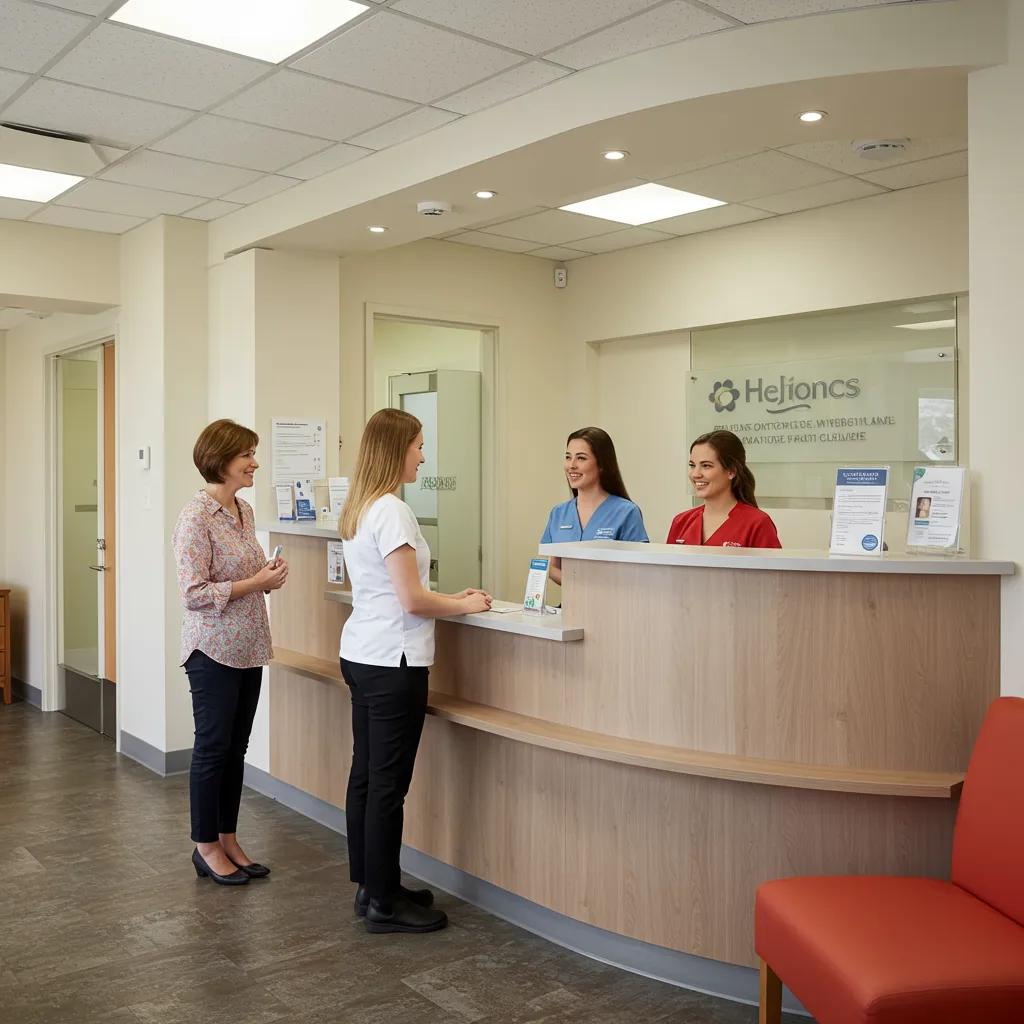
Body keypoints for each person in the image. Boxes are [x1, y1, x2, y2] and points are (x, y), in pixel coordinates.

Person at [339, 408, 492, 933]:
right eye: (418, 446)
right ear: (396, 449)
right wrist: (466, 605)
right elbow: (410, 598)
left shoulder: (360, 508)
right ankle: (383, 902)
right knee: (387, 786)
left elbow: (394, 590)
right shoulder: (393, 511)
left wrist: (449, 597)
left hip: (363, 652)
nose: (423, 456)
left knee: (365, 777)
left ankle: (371, 885)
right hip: (393, 662)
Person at [172, 419, 288, 886]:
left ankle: (228, 836)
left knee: (235, 749)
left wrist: (268, 573)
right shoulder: (195, 517)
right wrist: (254, 583)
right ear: (221, 460)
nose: (255, 463)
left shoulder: (244, 510)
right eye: (247, 455)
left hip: (249, 646)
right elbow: (192, 592)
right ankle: (205, 847)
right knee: (212, 748)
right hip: (213, 650)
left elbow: (246, 572)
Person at [540, 427, 648, 585]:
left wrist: (596, 588)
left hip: (613, 606)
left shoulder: (626, 512)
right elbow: (552, 566)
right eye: (568, 457)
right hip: (570, 606)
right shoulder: (558, 513)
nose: (571, 465)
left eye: (581, 458)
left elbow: (638, 569)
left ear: (602, 464)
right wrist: (582, 586)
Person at [666, 430, 781, 548]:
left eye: (706, 466)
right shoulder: (680, 522)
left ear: (731, 471)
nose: (695, 474)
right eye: (692, 465)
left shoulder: (758, 523)